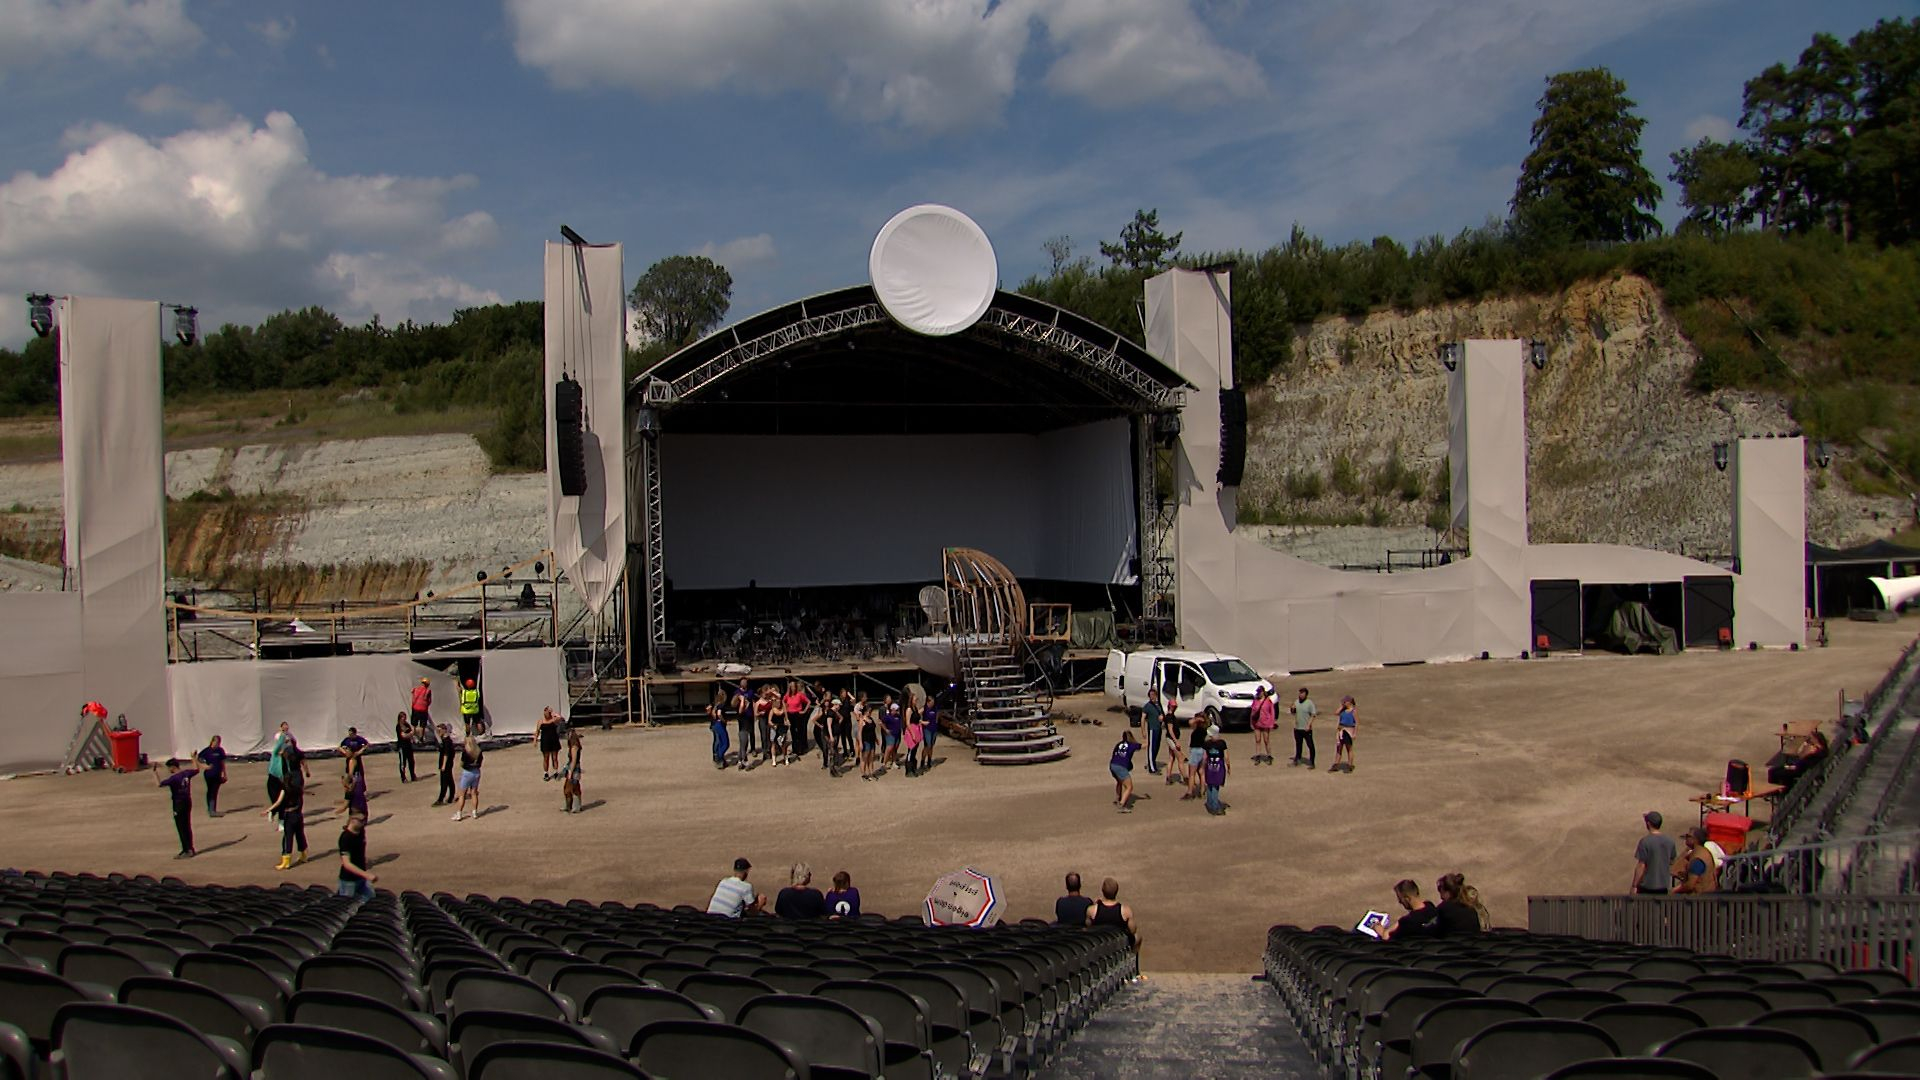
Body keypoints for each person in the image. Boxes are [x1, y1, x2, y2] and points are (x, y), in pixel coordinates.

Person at [264, 743, 309, 870]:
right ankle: (303, 854)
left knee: (287, 837)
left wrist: (269, 809)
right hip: (298, 813)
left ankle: (286, 860)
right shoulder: (297, 788)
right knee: (300, 834)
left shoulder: (285, 790)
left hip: (289, 814)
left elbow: (278, 802)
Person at [1087, 878, 1143, 976]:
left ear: (1102, 891)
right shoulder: (1125, 910)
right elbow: (1133, 930)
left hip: (1100, 943)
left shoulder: (1092, 910)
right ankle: (1133, 966)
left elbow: (1088, 926)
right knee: (1138, 938)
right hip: (1118, 944)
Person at [154, 758, 199, 859]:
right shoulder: (186, 773)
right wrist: (194, 759)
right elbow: (196, 769)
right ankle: (190, 848)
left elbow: (159, 784)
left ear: (173, 767)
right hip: (187, 801)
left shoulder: (174, 779)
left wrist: (154, 773)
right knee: (187, 826)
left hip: (178, 804)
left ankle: (186, 850)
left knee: (181, 827)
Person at [1631, 811, 1676, 895]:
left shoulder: (1645, 842)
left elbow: (1641, 866)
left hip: (1647, 886)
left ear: (1648, 824)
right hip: (1663, 886)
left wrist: (1634, 886)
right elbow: (1672, 861)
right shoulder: (1670, 841)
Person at [337, 815, 377, 902]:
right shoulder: (345, 838)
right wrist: (367, 875)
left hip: (361, 878)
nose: (363, 823)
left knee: (372, 901)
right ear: (352, 821)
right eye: (361, 820)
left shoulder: (361, 832)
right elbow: (347, 864)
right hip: (349, 881)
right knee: (347, 905)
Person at [1673, 827, 1721, 894]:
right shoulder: (1703, 851)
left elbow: (1690, 885)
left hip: (1699, 899)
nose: (1686, 838)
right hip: (1708, 895)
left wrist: (1674, 890)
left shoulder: (1697, 859)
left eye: (1688, 836)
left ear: (1695, 839)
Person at [452, 737, 484, 821]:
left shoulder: (466, 752)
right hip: (476, 772)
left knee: (461, 794)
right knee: (474, 793)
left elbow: (462, 764)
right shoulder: (479, 751)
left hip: (467, 773)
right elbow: (481, 762)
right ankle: (474, 812)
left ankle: (459, 813)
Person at [1202, 724, 1230, 816]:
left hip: (1209, 767)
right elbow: (1226, 757)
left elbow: (1204, 757)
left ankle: (1210, 804)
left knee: (1210, 785)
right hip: (1218, 767)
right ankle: (1214, 807)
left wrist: (1202, 768)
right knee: (1215, 787)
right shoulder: (1222, 743)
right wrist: (1229, 766)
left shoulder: (1207, 743)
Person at [195, 735, 227, 816]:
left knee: (214, 791)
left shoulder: (220, 750)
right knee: (211, 791)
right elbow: (198, 759)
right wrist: (205, 766)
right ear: (212, 741)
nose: (218, 744)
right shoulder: (207, 751)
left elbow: (222, 762)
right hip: (209, 774)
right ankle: (211, 810)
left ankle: (212, 809)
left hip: (217, 774)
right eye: (216, 742)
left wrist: (224, 773)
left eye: (219, 742)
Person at [1109, 729, 1140, 812]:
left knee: (1119, 782)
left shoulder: (1118, 744)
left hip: (1112, 765)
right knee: (1129, 787)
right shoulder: (1131, 745)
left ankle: (1117, 799)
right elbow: (1143, 746)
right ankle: (1121, 805)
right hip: (1120, 766)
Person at [1290, 687, 1318, 768]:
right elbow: (1293, 713)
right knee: (1298, 745)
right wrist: (1292, 709)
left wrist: (1309, 725)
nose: (1300, 695)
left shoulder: (1309, 703)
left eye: (1302, 693)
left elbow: (1313, 715)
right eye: (1300, 693)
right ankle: (1297, 759)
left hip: (1306, 729)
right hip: (1298, 728)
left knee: (1310, 745)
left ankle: (1312, 762)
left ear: (1306, 694)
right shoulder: (1296, 702)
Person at [1248, 686, 1277, 765]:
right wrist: (1251, 722)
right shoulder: (1255, 701)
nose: (1259, 694)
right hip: (1257, 723)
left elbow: (1272, 712)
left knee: (1266, 740)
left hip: (1265, 723)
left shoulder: (1268, 701)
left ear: (1263, 692)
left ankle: (1269, 755)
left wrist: (1272, 722)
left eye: (1260, 692)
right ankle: (1258, 755)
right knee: (1258, 740)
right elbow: (1252, 712)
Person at [784, 681, 812, 761]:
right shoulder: (787, 695)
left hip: (798, 714)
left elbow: (808, 702)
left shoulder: (799, 695)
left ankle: (801, 749)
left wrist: (804, 711)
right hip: (790, 714)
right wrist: (786, 714)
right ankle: (795, 749)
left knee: (799, 731)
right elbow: (783, 701)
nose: (793, 688)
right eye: (791, 686)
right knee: (793, 732)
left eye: (794, 686)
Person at [734, 678, 757, 768]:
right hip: (742, 719)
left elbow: (753, 702)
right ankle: (744, 760)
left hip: (749, 717)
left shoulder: (750, 692)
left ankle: (741, 760)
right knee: (744, 740)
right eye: (742, 682)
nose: (744, 683)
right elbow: (740, 709)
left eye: (745, 682)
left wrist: (755, 714)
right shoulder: (737, 693)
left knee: (749, 736)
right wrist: (743, 702)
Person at [1141, 688, 1166, 775]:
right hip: (1152, 729)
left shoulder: (1159, 705)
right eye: (1150, 695)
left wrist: (1162, 719)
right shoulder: (1147, 706)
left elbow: (1162, 714)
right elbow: (1143, 718)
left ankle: (1153, 763)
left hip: (1158, 728)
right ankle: (1152, 768)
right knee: (1151, 748)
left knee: (1156, 747)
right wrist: (1143, 731)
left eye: (1153, 695)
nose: (1152, 697)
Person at [433, 723, 457, 806]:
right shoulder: (444, 740)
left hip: (446, 764)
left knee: (444, 782)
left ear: (444, 730)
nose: (438, 732)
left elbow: (446, 754)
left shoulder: (447, 741)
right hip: (447, 764)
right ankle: (451, 797)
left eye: (439, 731)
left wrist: (443, 765)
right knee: (450, 780)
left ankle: (440, 799)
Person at [1184, 715, 1207, 801]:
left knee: (1192, 773)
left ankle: (1190, 792)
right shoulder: (1205, 729)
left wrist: (1196, 719)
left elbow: (1190, 722)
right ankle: (1202, 790)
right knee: (1201, 772)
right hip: (1202, 750)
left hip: (1195, 751)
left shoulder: (1198, 729)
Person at [561, 729, 584, 813]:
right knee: (568, 787)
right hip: (571, 766)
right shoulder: (572, 744)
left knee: (573, 787)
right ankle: (569, 805)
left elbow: (574, 760)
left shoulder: (574, 746)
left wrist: (570, 772)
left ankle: (576, 806)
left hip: (574, 768)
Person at [1332, 695, 1357, 773]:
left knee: (1349, 748)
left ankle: (1350, 765)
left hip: (1348, 730)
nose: (1343, 703)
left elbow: (1357, 723)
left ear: (1349, 702)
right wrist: (1342, 707)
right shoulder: (1342, 710)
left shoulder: (1353, 711)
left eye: (1345, 702)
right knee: (1339, 748)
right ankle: (1336, 764)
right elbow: (1336, 713)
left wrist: (1354, 733)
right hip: (1341, 730)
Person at [537, 706, 562, 781]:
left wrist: (553, 713)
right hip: (545, 741)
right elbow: (537, 731)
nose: (546, 713)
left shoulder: (553, 720)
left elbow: (560, 717)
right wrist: (535, 739)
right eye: (545, 712)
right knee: (546, 758)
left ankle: (556, 772)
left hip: (554, 740)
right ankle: (546, 773)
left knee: (554, 758)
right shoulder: (541, 721)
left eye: (548, 712)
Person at [1161, 701, 1184, 783]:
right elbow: (1170, 731)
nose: (1174, 708)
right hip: (1171, 739)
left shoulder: (1171, 716)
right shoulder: (1170, 717)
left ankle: (1168, 777)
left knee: (1171, 758)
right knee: (1180, 758)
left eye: (1175, 706)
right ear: (1169, 706)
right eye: (1173, 706)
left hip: (1171, 739)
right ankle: (1185, 777)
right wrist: (1176, 741)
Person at [707, 694, 731, 770]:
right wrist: (724, 720)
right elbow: (719, 714)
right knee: (725, 743)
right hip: (719, 724)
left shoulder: (715, 705)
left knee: (719, 741)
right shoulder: (721, 705)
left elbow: (708, 709)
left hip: (715, 724)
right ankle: (719, 756)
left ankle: (720, 758)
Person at [393, 712, 417, 783]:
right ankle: (403, 777)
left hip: (408, 746)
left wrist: (411, 734)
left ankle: (413, 775)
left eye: (405, 717)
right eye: (403, 717)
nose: (404, 719)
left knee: (411, 761)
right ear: (400, 718)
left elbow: (411, 733)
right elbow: (403, 736)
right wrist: (410, 734)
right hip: (402, 747)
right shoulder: (398, 726)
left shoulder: (407, 725)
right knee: (403, 763)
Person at [903, 702, 925, 777]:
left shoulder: (915, 709)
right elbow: (908, 723)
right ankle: (908, 771)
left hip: (916, 729)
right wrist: (912, 734)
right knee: (911, 751)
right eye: (915, 699)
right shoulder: (909, 709)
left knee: (914, 751)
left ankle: (913, 768)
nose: (916, 700)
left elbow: (917, 716)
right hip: (911, 731)